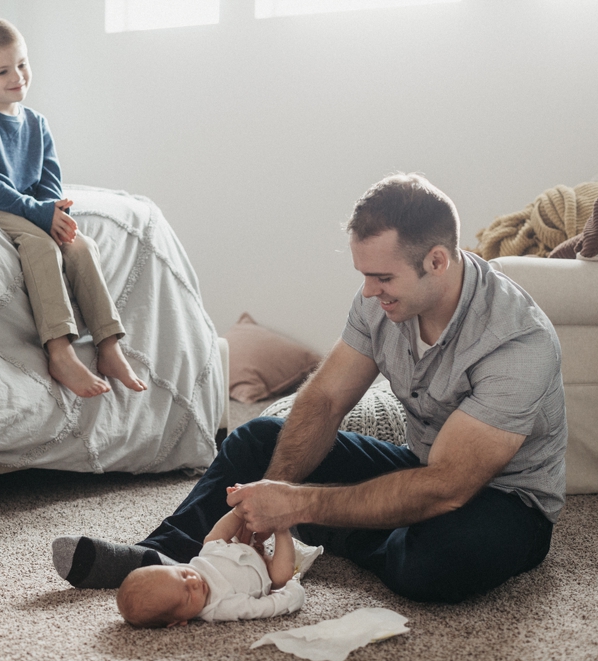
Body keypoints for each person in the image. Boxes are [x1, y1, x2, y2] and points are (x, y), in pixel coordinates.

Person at [53, 173, 566, 603]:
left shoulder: (517, 341)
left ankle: (331, 531)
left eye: (382, 277)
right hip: (424, 467)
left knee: (431, 565)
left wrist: (298, 506)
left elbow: (449, 487)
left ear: (436, 261)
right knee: (258, 438)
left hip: (506, 502)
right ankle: (159, 554)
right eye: (363, 274)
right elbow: (323, 401)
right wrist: (269, 496)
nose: (368, 291)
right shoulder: (382, 301)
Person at [0, 17, 147, 398]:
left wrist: (55, 212)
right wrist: (38, 215)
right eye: (3, 70)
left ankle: (108, 345)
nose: (17, 76)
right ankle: (59, 350)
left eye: (22, 64)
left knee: (80, 245)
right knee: (40, 246)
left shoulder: (37, 123)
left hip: (25, 206)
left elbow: (48, 180)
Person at [115, 492, 304, 628]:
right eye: (188, 595)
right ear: (179, 621)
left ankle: (239, 510)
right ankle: (282, 527)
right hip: (264, 569)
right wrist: (294, 590)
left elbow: (212, 550)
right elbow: (266, 607)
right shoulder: (221, 607)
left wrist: (238, 542)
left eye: (182, 574)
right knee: (282, 576)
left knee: (210, 541)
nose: (193, 581)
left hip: (236, 546)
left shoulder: (197, 568)